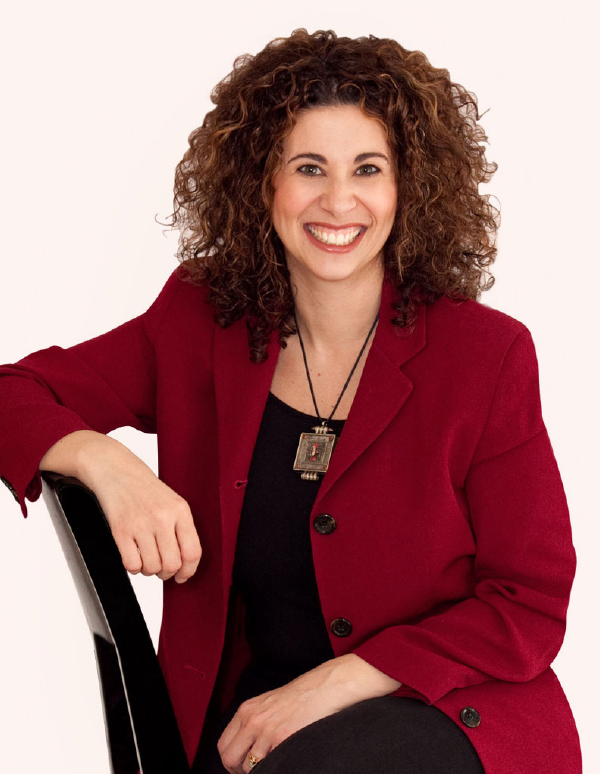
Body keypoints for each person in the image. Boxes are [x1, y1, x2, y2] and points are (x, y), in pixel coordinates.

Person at [0, 28, 581, 774]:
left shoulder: (487, 355)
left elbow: (528, 602)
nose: (339, 201)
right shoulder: (199, 318)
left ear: (408, 187)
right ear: (261, 182)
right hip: (254, 727)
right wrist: (105, 462)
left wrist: (336, 683)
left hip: (445, 715)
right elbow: (15, 391)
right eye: (309, 168)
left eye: (367, 169)